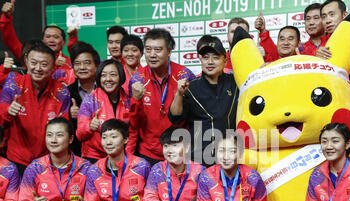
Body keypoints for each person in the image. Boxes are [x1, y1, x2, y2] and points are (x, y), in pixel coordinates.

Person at [0, 42, 70, 176]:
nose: (38, 68)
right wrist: (8, 111)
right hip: (16, 159)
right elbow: (1, 118)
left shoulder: (62, 92)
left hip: (48, 160)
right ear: (26, 62)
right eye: (33, 62)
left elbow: (64, 128)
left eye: (44, 64)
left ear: (53, 67)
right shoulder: (14, 83)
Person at [129, 28, 196, 166]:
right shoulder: (138, 79)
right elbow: (134, 124)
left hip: (179, 150)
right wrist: (136, 100)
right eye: (148, 50)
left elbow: (194, 116)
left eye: (158, 50)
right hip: (148, 153)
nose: (152, 55)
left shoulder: (184, 75)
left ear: (169, 51)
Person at [169, 37, 239, 167]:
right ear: (200, 59)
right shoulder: (191, 87)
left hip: (230, 155)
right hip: (200, 158)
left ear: (225, 60)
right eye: (206, 57)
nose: (210, 62)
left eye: (216, 58)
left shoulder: (235, 82)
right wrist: (179, 94)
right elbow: (175, 117)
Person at [76, 59, 137, 163]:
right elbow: (79, 135)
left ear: (120, 77)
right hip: (94, 157)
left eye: (113, 75)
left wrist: (127, 156)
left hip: (120, 157)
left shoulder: (127, 100)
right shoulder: (90, 100)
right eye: (103, 75)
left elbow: (132, 131)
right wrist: (89, 127)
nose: (108, 79)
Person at [1, 1, 75, 85]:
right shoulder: (30, 55)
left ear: (64, 42)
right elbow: (11, 40)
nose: (51, 40)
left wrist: (64, 66)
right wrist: (6, 17)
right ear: (43, 41)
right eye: (48, 37)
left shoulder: (70, 63)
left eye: (56, 37)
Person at [68, 41, 101, 156]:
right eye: (77, 63)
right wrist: (69, 114)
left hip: (103, 151)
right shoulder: (67, 92)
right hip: (76, 153)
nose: (82, 67)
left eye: (87, 63)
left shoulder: (107, 89)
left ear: (96, 66)